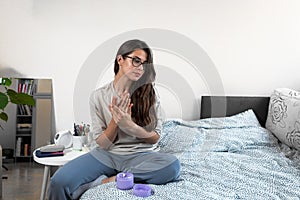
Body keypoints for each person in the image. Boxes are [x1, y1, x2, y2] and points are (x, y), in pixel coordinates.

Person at [48, 39, 180, 200]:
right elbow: (101, 143)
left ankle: (111, 180)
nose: (140, 68)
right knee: (58, 182)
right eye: (136, 61)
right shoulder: (98, 96)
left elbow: (155, 138)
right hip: (106, 155)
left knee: (172, 167)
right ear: (120, 60)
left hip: (141, 155)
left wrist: (130, 126)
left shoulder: (150, 94)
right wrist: (115, 122)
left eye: (144, 64)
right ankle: (121, 176)